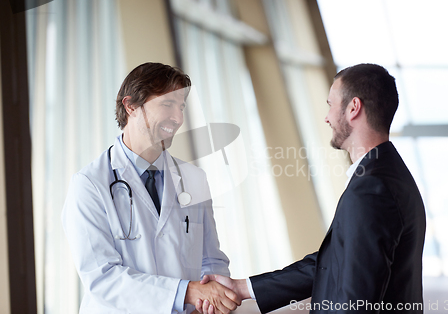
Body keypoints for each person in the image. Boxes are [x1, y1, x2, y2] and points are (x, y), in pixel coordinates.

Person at [196, 63, 426, 313]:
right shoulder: (389, 173)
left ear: (353, 108)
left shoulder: (370, 189)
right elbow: (333, 264)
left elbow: (357, 302)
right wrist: (243, 287)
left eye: (330, 104)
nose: (327, 117)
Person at [62, 63, 240, 314]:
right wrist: (188, 291)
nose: (178, 118)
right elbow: (103, 278)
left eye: (181, 107)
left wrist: (209, 304)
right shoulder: (89, 185)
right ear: (131, 106)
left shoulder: (194, 178)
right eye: (168, 104)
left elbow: (211, 259)